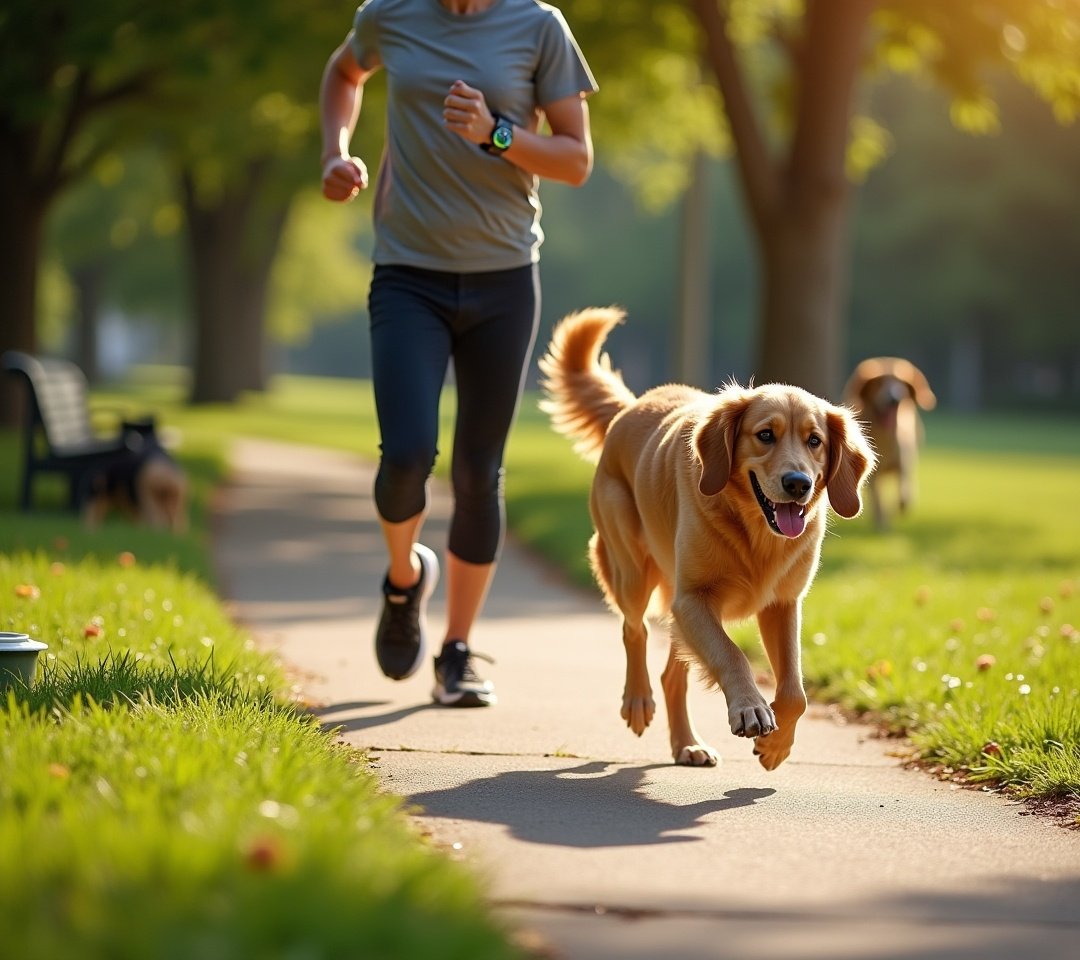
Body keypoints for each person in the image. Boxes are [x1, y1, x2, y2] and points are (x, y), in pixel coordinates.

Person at [319, 0, 597, 707]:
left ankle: (458, 654)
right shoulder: (391, 15)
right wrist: (335, 151)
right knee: (407, 453)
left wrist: (498, 133)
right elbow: (344, 73)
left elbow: (576, 159)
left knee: (479, 471)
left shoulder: (539, 27)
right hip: (408, 273)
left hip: (504, 278)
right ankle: (403, 579)